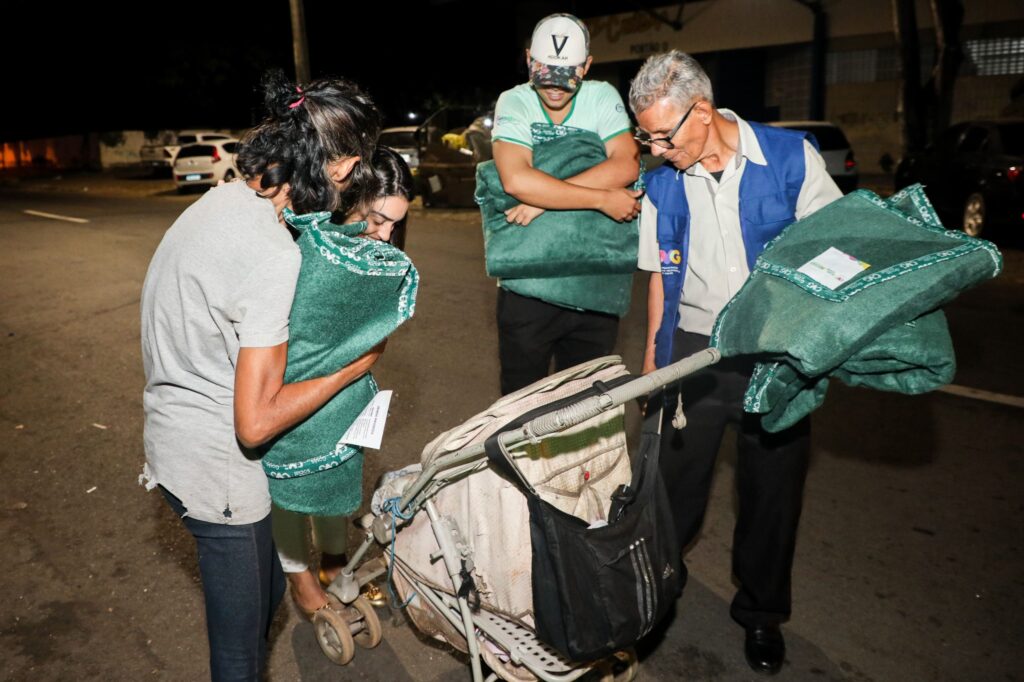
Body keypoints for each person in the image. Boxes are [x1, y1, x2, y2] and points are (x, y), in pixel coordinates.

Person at [140, 69, 382, 681]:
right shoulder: (272, 255)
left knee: (269, 591)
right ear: (340, 165)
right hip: (216, 470)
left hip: (174, 435)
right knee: (240, 656)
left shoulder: (226, 198)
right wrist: (353, 365)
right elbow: (254, 423)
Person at [629, 51, 842, 675]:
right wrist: (651, 368)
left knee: (771, 492)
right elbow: (659, 282)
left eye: (663, 135)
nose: (656, 148)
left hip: (776, 352)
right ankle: (656, 599)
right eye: (646, 136)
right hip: (694, 350)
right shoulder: (664, 180)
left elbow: (834, 252)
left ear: (703, 111)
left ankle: (761, 615)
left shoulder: (789, 158)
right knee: (670, 491)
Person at [271, 146, 414, 616]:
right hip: (282, 386)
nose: (386, 234)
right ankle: (299, 577)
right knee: (289, 485)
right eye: (376, 218)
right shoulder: (298, 240)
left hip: (341, 394)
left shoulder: (374, 254)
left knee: (337, 473)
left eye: (395, 223)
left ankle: (334, 560)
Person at [490, 12, 642, 395]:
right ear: (528, 59)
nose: (556, 90)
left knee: (585, 412)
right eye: (546, 77)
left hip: (594, 286)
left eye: (567, 78)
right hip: (529, 286)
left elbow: (626, 163)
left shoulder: (601, 95)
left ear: (587, 66)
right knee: (518, 412)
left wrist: (542, 200)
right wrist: (601, 198)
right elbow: (516, 179)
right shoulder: (515, 100)